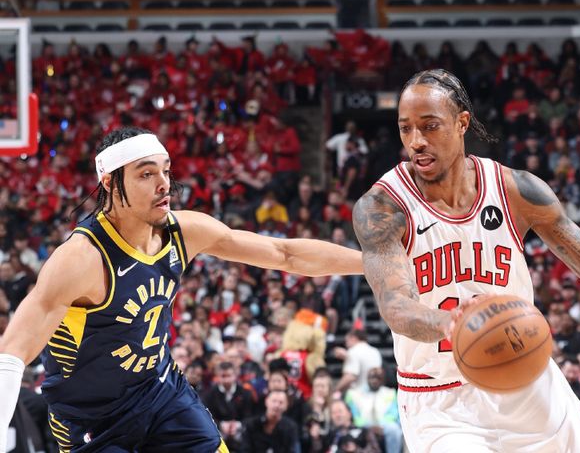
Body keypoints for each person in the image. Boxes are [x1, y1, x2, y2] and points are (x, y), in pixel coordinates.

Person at [352, 68, 580, 452]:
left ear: (462, 122)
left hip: (526, 377)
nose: (416, 141)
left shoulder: (516, 189)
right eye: (406, 129)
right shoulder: (382, 206)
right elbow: (395, 306)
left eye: (429, 126)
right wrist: (451, 323)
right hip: (440, 399)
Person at [0, 127, 363, 452]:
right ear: (110, 182)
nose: (164, 184)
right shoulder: (82, 259)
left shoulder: (183, 231)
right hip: (91, 420)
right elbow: (12, 351)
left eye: (166, 170)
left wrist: (372, 264)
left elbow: (285, 254)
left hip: (161, 394)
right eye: (146, 174)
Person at [345, 366, 402, 453]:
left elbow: (393, 414)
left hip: (384, 425)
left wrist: (381, 425)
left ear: (383, 380)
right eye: (372, 377)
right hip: (363, 424)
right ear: (367, 378)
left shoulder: (390, 393)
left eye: (378, 378)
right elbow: (354, 415)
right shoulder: (354, 394)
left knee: (394, 429)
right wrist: (368, 426)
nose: (374, 380)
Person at [333, 329, 383, 394]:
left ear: (353, 338)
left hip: (358, 395)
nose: (346, 345)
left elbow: (350, 377)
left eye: (346, 341)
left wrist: (335, 390)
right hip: (375, 392)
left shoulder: (353, 351)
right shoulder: (376, 351)